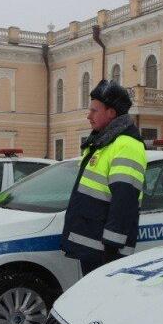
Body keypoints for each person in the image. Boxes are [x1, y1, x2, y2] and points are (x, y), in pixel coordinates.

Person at [61, 80, 147, 276]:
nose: (88, 116)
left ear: (112, 112)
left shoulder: (127, 145)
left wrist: (112, 248)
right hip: (94, 246)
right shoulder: (103, 142)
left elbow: (124, 201)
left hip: (106, 251)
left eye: (94, 110)